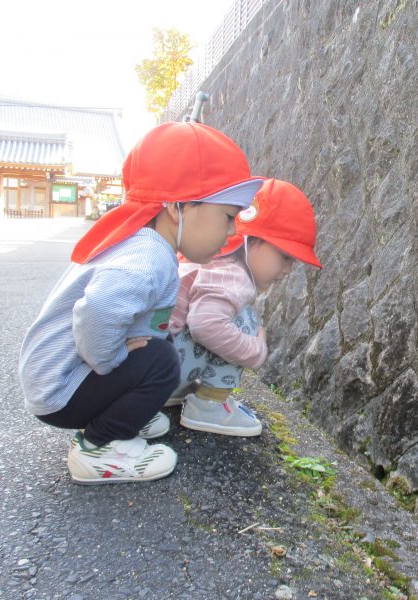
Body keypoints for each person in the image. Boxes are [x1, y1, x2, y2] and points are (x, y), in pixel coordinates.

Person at [18, 122, 264, 484]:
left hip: (57, 380)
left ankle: (125, 411)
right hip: (61, 390)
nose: (231, 232)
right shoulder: (149, 257)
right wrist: (111, 361)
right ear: (178, 207)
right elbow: (98, 310)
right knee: (162, 361)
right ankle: (100, 447)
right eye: (227, 216)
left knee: (157, 345)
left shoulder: (142, 243)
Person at [166, 178, 322, 436]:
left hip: (156, 363)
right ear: (251, 240)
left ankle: (172, 391)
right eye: (284, 256)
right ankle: (209, 405)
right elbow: (205, 324)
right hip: (166, 363)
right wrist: (256, 350)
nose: (287, 270)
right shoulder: (233, 275)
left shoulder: (214, 260)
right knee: (246, 321)